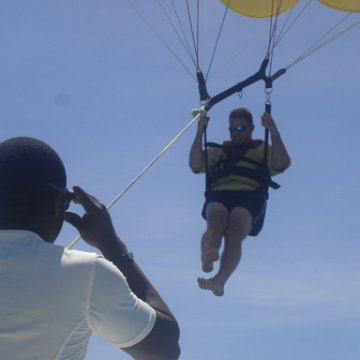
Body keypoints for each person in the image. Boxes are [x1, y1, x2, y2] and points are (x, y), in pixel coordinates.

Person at [0, 137, 180, 360]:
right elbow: (164, 350)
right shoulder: (85, 273)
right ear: (57, 204)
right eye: (66, 201)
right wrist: (111, 244)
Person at [189, 107, 291, 297]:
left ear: (251, 128)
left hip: (249, 195)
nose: (236, 134)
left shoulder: (262, 150)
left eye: (241, 129)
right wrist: (200, 131)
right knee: (216, 221)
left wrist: (273, 131)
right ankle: (207, 257)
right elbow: (195, 165)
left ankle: (219, 281)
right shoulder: (218, 152)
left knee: (235, 230)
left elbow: (281, 163)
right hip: (219, 193)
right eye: (232, 130)